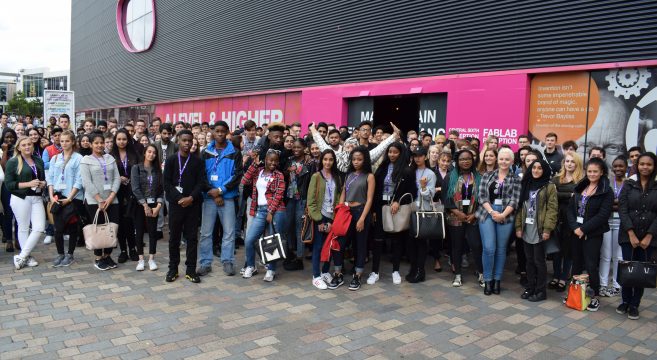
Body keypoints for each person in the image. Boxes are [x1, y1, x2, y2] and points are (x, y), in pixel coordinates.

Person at [567, 157, 613, 312]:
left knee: (591, 265)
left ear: (602, 172)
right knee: (576, 263)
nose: (592, 174)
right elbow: (570, 210)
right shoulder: (581, 186)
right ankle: (575, 294)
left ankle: (594, 296)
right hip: (576, 232)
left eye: (595, 171)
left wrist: (584, 229)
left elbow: (603, 215)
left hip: (592, 234)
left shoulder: (606, 191)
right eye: (589, 171)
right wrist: (575, 228)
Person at [198, 121, 243, 277]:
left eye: (223, 131)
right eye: (217, 131)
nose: (220, 134)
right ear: (212, 132)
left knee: (229, 232)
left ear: (227, 132)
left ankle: (228, 261)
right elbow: (201, 176)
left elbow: (237, 176)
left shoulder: (235, 152)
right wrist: (212, 191)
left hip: (227, 198)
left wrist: (220, 190)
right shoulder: (205, 152)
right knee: (205, 233)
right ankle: (205, 262)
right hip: (209, 198)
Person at [327, 146, 375, 291]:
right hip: (346, 212)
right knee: (339, 243)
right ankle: (338, 273)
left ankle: (357, 275)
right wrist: (340, 209)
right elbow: (343, 193)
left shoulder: (369, 176)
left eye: (359, 159)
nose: (356, 162)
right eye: (354, 159)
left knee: (360, 245)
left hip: (361, 212)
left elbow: (370, 199)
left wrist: (362, 219)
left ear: (365, 159)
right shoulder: (348, 175)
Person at [163, 130, 206, 283]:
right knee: (174, 238)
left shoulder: (198, 161)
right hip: (176, 205)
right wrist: (179, 198)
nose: (187, 143)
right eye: (184, 140)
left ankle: (190, 270)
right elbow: (166, 182)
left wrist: (191, 198)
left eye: (190, 140)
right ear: (179, 141)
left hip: (192, 205)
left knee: (192, 238)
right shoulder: (171, 160)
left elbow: (201, 182)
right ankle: (173, 269)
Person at [617, 152, 657, 320]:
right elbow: (623, 209)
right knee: (628, 268)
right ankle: (625, 301)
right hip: (628, 236)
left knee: (641, 272)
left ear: (654, 166)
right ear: (637, 165)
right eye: (642, 164)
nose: (645, 167)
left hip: (650, 237)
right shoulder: (629, 184)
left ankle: (635, 304)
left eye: (649, 164)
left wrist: (649, 236)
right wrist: (631, 233)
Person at [476, 147, 521, 295]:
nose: (503, 161)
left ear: (512, 161)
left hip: (506, 215)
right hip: (487, 213)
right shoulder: (487, 175)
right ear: (497, 159)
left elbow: (515, 200)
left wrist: (502, 215)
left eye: (507, 159)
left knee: (501, 249)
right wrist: (492, 212)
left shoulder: (516, 179)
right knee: (489, 248)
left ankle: (497, 280)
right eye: (501, 158)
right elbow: (481, 196)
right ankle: (487, 280)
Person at [368, 143, 414, 286]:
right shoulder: (382, 168)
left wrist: (399, 202)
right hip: (381, 207)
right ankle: (375, 272)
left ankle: (395, 270)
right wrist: (374, 210)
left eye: (395, 152)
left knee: (396, 240)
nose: (392, 155)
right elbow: (375, 192)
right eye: (390, 152)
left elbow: (411, 192)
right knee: (377, 240)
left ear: (401, 153)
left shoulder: (407, 170)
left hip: (396, 209)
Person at [515, 159, 558, 302]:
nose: (536, 171)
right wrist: (518, 227)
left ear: (544, 170)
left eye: (540, 168)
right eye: (534, 168)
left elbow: (552, 209)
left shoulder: (549, 186)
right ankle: (530, 287)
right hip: (527, 228)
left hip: (539, 229)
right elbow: (520, 207)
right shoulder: (526, 184)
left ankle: (541, 291)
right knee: (529, 260)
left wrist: (547, 229)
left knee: (539, 261)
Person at [241, 149, 287, 282]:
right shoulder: (258, 171)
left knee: (271, 241)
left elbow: (279, 194)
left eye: (275, 161)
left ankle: (271, 269)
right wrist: (254, 164)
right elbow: (244, 181)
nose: (273, 163)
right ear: (265, 160)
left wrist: (271, 212)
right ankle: (250, 266)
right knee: (249, 239)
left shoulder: (279, 175)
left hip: (276, 211)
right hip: (260, 210)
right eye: (270, 160)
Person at [80, 132, 121, 270]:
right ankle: (98, 257)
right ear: (91, 144)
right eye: (96, 143)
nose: (99, 145)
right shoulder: (86, 160)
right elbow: (86, 182)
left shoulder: (110, 158)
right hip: (93, 201)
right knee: (97, 228)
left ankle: (108, 255)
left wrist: (110, 197)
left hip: (112, 200)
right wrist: (99, 199)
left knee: (111, 228)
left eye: (101, 142)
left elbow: (117, 178)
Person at [5, 136, 47, 269]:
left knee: (39, 227)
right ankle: (27, 257)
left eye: (29, 144)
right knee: (23, 227)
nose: (27, 147)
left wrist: (43, 183)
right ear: (18, 147)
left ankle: (22, 256)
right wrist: (28, 184)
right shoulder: (13, 162)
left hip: (37, 197)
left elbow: (42, 178)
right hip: (20, 198)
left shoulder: (38, 160)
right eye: (24, 145)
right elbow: (9, 184)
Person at [444, 149, 484, 287]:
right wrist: (457, 212)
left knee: (476, 246)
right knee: (457, 247)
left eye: (468, 159)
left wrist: (474, 214)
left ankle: (481, 274)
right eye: (462, 159)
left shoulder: (478, 177)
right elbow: (446, 198)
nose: (465, 161)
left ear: (472, 160)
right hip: (455, 218)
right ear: (457, 161)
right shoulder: (450, 177)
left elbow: (483, 199)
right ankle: (458, 275)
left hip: (473, 218)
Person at [307, 149, 343, 289]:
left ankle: (325, 271)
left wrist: (333, 220)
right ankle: (316, 276)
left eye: (330, 159)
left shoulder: (337, 177)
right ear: (321, 160)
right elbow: (310, 202)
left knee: (330, 247)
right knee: (318, 247)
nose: (328, 162)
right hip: (319, 217)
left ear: (334, 161)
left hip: (333, 217)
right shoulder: (316, 176)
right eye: (325, 159)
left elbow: (339, 199)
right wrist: (319, 220)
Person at [47, 131, 83, 267]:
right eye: (62, 141)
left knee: (72, 226)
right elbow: (50, 178)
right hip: (58, 197)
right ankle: (60, 253)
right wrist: (51, 196)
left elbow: (79, 181)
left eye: (67, 141)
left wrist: (70, 198)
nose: (64, 143)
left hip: (72, 198)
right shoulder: (55, 158)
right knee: (58, 228)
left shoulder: (78, 158)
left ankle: (70, 254)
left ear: (73, 142)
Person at [550, 153, 584, 292]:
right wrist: (568, 195)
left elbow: (578, 198)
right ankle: (556, 276)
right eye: (567, 161)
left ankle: (564, 278)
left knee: (568, 251)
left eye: (572, 162)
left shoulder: (581, 181)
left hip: (572, 219)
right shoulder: (556, 179)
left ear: (577, 164)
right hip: (557, 218)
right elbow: (552, 195)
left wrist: (563, 195)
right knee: (556, 250)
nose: (569, 164)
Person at [310, 122, 400, 173]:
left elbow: (379, 149)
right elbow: (323, 146)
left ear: (356, 148)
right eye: (347, 146)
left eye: (352, 146)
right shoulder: (337, 157)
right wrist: (313, 129)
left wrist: (394, 136)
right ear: (343, 147)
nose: (349, 148)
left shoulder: (363, 158)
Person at [131, 144, 164, 271]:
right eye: (149, 152)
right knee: (139, 232)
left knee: (152, 232)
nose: (151, 154)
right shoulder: (136, 168)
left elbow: (161, 189)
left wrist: (159, 205)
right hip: (139, 204)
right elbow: (135, 188)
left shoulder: (157, 170)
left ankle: (151, 259)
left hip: (154, 205)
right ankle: (140, 259)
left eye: (154, 153)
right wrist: (145, 205)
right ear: (145, 153)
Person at [406, 147, 437, 283]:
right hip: (410, 209)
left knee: (421, 241)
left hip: (424, 210)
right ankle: (413, 268)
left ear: (425, 156)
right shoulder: (410, 171)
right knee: (411, 241)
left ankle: (420, 270)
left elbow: (430, 194)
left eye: (420, 155)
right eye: (415, 156)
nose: (417, 158)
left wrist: (423, 186)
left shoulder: (430, 173)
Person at [283, 138, 314, 270]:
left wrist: (309, 202)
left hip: (302, 198)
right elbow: (284, 176)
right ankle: (290, 252)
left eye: (298, 147)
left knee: (299, 228)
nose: (295, 149)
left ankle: (299, 257)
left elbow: (312, 182)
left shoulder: (310, 163)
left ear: (304, 148)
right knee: (288, 226)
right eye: (294, 147)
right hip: (289, 198)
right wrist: (287, 171)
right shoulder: (289, 160)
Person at [111, 129, 140, 263]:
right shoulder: (110, 156)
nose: (121, 142)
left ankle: (133, 248)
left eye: (124, 139)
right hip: (116, 192)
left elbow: (140, 172)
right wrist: (118, 178)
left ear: (128, 140)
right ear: (115, 140)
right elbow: (108, 175)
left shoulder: (135, 154)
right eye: (119, 139)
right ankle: (123, 250)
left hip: (132, 192)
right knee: (120, 222)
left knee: (130, 221)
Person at [600, 156, 627, 297]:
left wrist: (615, 203)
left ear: (626, 167)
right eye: (615, 166)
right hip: (606, 222)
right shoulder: (607, 183)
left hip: (622, 224)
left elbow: (627, 204)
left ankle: (616, 285)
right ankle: (603, 284)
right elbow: (605, 203)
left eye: (621, 166)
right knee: (605, 255)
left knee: (618, 256)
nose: (618, 169)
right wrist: (617, 203)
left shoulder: (629, 184)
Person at [1, 128, 17, 251]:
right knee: (8, 213)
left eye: (11, 137)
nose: (9, 139)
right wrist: (5, 151)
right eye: (7, 137)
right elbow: (5, 168)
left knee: (18, 214)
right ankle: (8, 239)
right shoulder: (1, 151)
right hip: (6, 186)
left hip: (18, 186)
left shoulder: (18, 150)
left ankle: (17, 238)